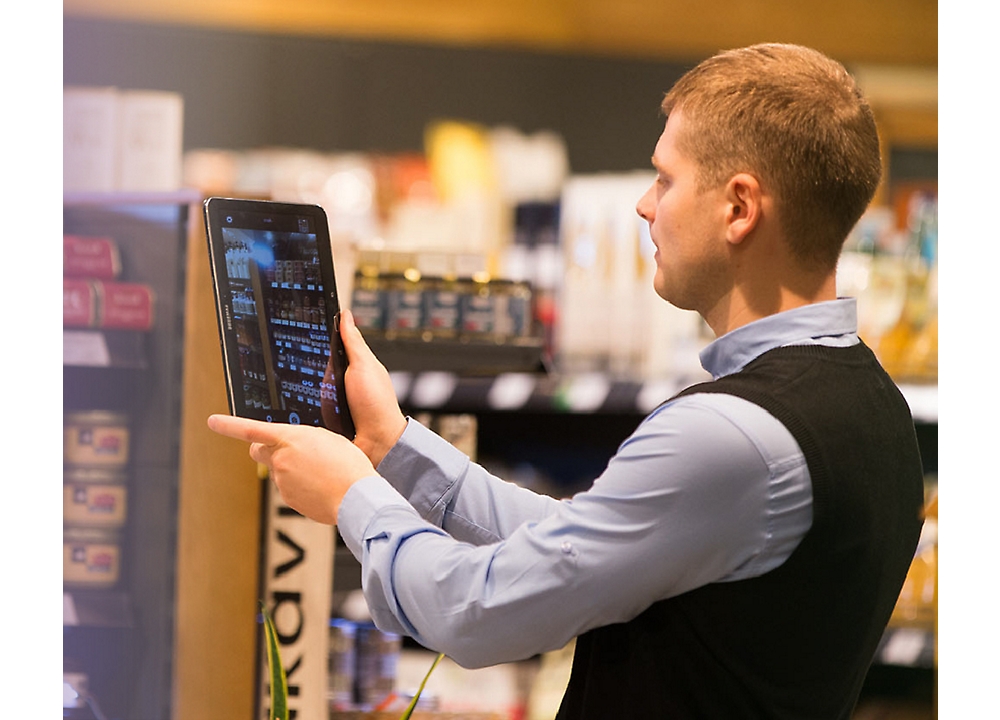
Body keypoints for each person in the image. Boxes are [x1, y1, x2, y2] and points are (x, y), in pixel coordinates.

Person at [209, 43, 926, 719]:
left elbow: (477, 611)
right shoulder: (872, 405)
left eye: (666, 178)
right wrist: (392, 445)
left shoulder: (733, 436)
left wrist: (353, 499)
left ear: (739, 208)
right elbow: (577, 548)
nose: (645, 205)